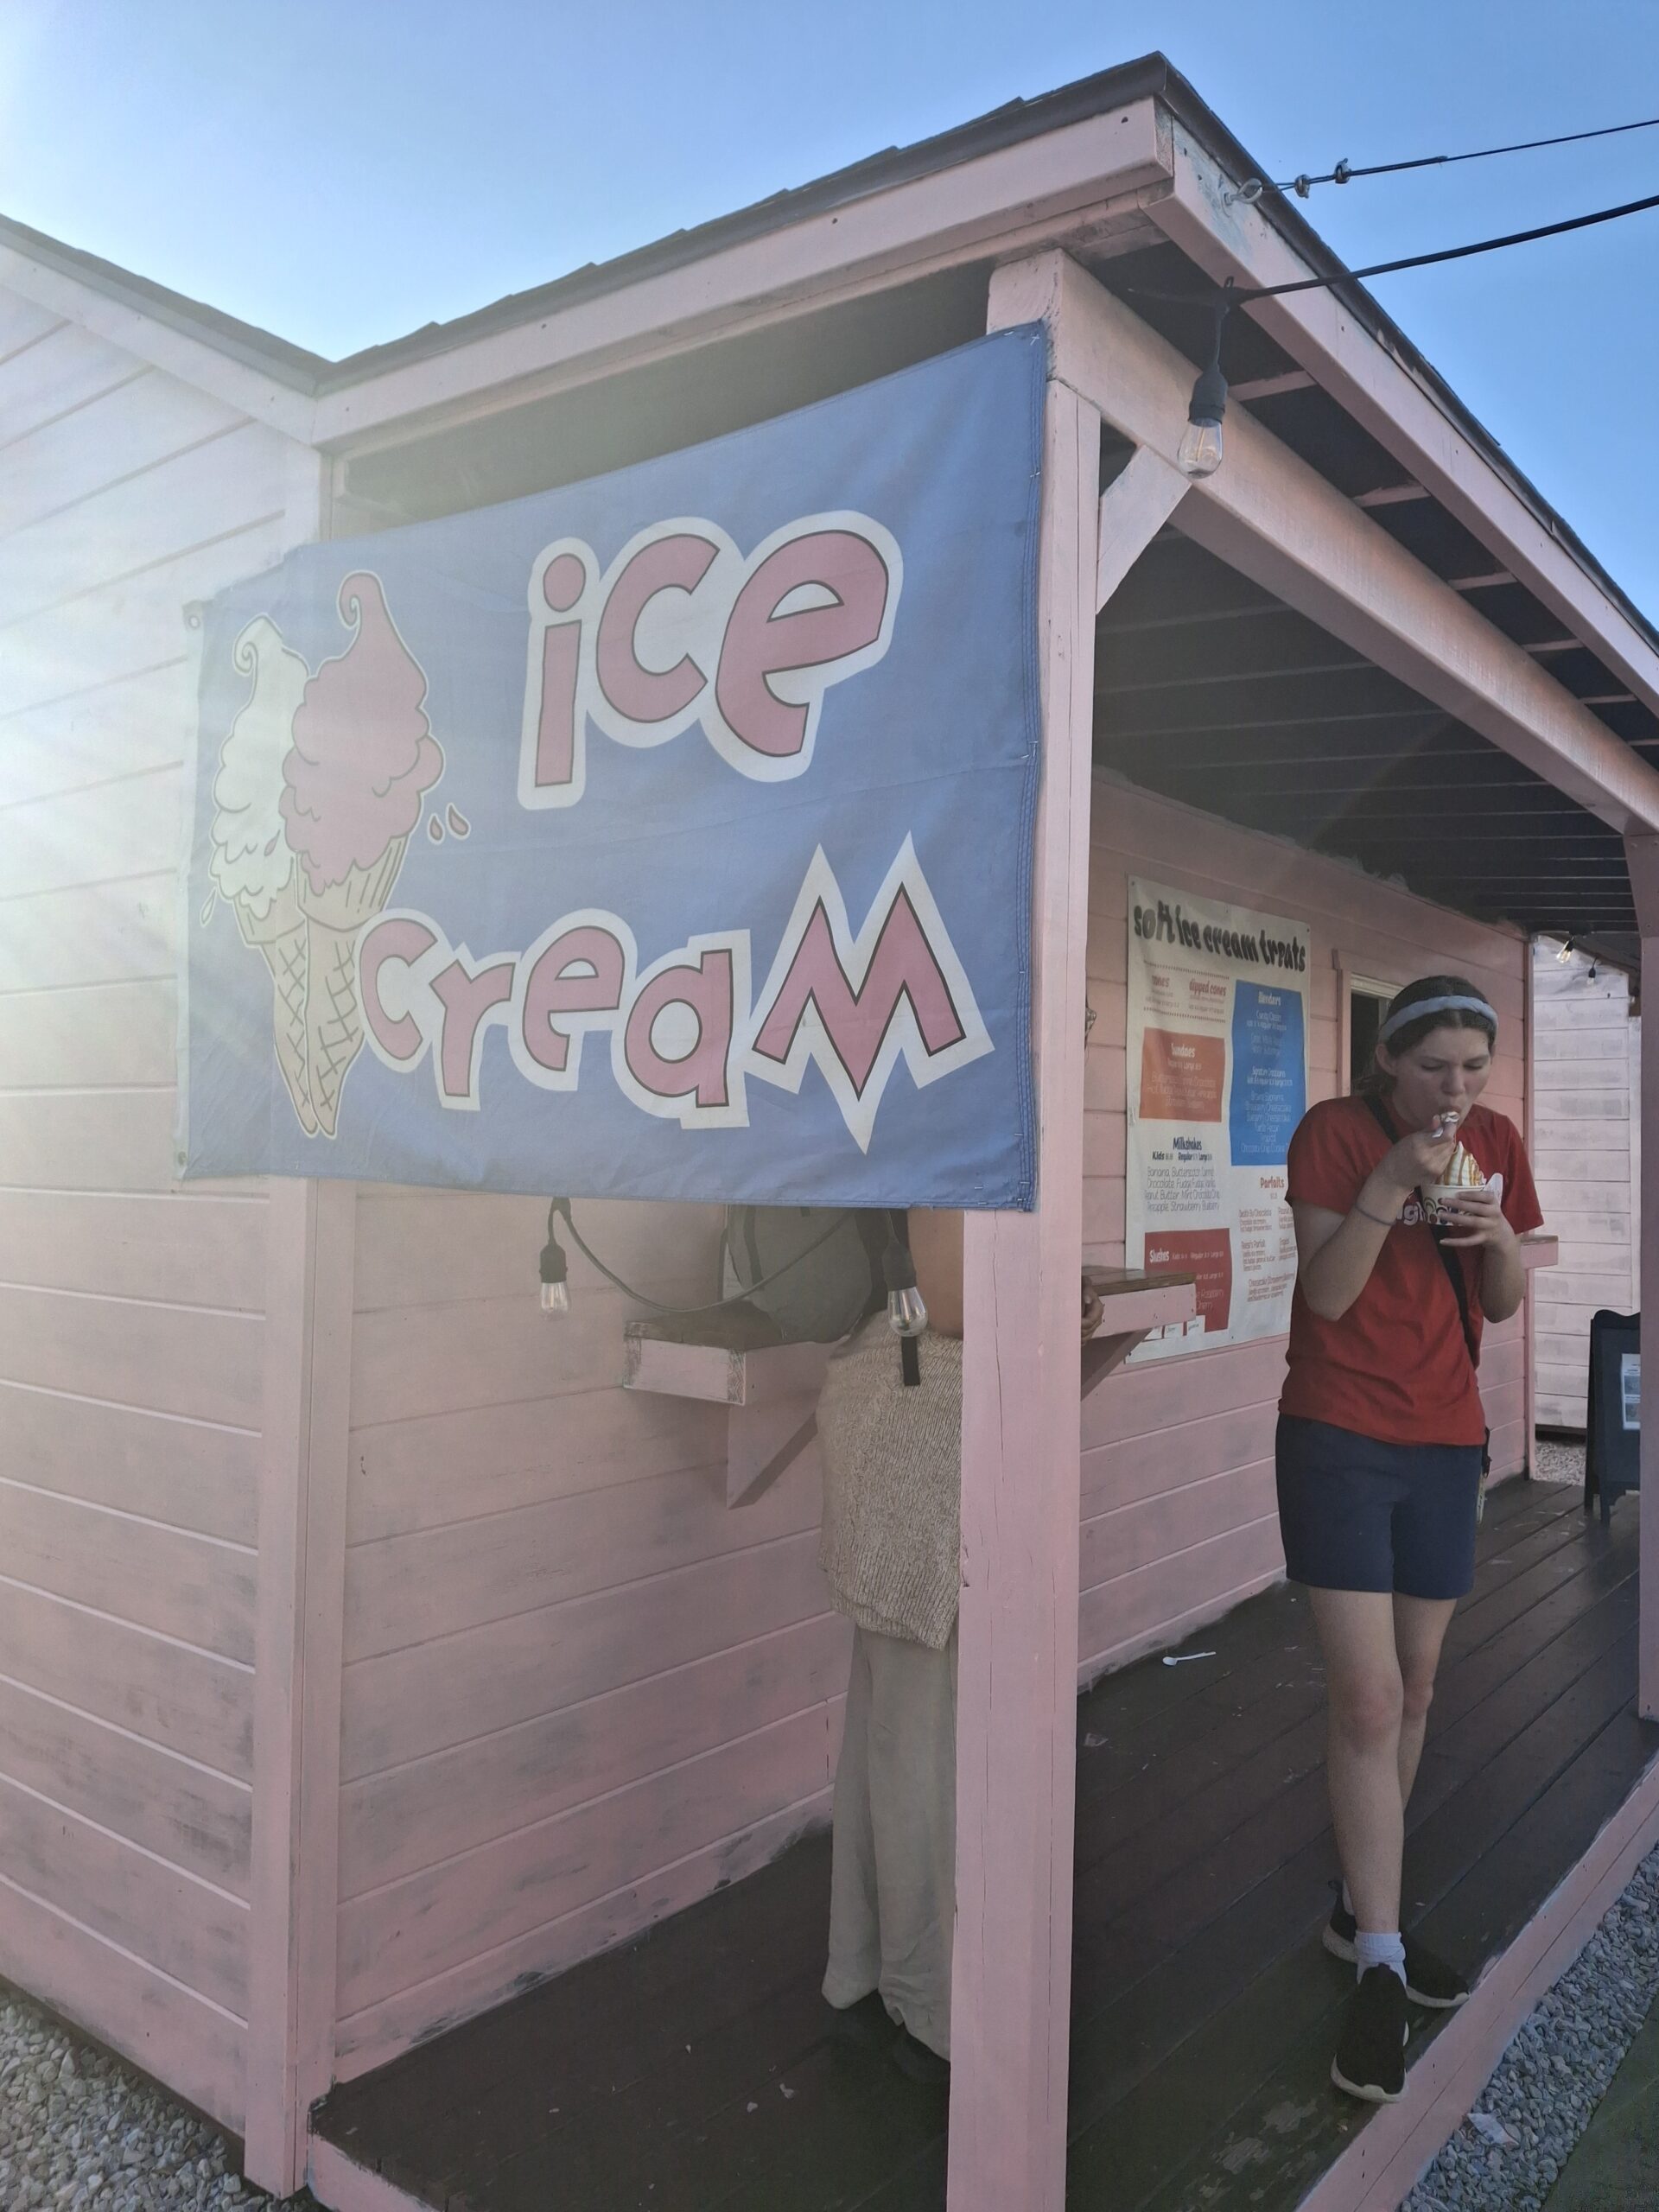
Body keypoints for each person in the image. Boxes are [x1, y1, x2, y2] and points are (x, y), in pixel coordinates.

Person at [1278, 975, 1542, 2105]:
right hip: (1338, 1432)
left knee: (1421, 1687)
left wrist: (1498, 1239)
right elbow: (1327, 1294)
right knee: (1368, 1700)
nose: (1457, 1090)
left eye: (1473, 1070)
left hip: (1447, 1437)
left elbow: (1505, 1300)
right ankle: (1381, 1957)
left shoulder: (1492, 1141)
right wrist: (1392, 1180)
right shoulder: (1336, 1135)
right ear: (1390, 1062)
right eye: (1436, 1067)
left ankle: (1358, 1911)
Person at [815, 1209, 1103, 2082]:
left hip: (896, 1403)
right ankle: (930, 2002)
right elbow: (950, 1295)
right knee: (927, 1738)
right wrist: (1056, 1293)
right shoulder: (951, 1102)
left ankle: (865, 1968)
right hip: (925, 1417)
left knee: (895, 1725)